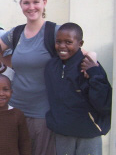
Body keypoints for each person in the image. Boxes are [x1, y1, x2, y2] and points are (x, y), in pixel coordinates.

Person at [44, 23, 112, 155]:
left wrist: (94, 73)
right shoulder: (51, 66)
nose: (62, 46)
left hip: (88, 133)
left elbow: (103, 103)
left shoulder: (90, 66)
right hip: (62, 132)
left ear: (80, 43)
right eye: (59, 42)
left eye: (68, 42)